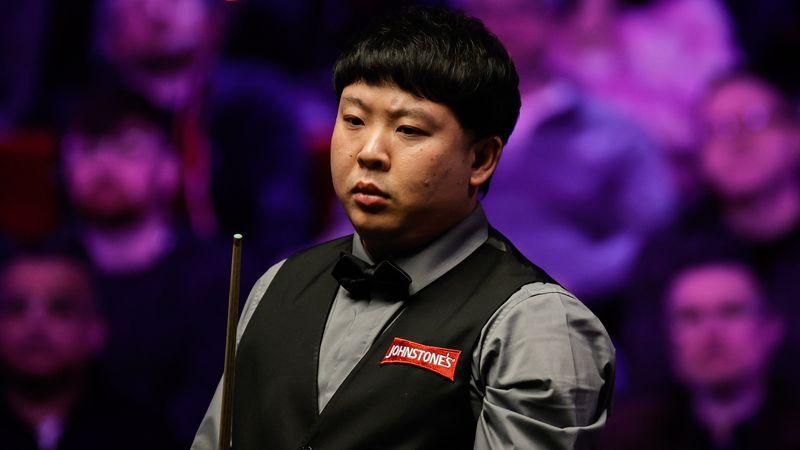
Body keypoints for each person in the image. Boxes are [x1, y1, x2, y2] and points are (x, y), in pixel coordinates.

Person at [193, 7, 614, 449]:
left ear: (480, 159)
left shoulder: (536, 324)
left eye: (409, 129)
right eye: (354, 121)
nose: (369, 152)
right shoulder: (277, 283)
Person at [60, 94, 231, 447]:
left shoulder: (219, 279)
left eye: (128, 148)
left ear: (170, 169)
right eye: (88, 148)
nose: (104, 165)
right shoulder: (33, 276)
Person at [598, 254, 800, 449]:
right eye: (690, 317)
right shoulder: (622, 438)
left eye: (730, 311)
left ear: (771, 328)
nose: (711, 333)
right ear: (668, 335)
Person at [0, 252, 176, 450]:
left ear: (95, 330)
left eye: (60, 308)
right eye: (16, 308)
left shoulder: (142, 435)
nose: (35, 325)